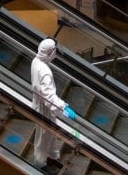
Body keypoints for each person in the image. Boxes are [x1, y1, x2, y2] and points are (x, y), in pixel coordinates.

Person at [31, 38, 75, 169]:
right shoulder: (45, 72)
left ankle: (52, 156)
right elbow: (49, 97)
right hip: (43, 109)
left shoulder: (36, 60)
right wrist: (64, 108)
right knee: (43, 138)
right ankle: (39, 164)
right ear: (50, 53)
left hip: (40, 104)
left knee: (51, 132)